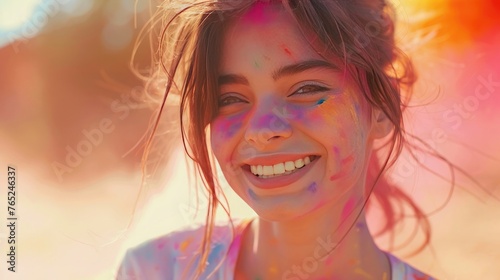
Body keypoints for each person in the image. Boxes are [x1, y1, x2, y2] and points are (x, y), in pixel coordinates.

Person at [116, 0, 437, 279]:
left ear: (382, 109)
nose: (262, 129)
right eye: (229, 98)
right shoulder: (154, 271)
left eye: (307, 89)